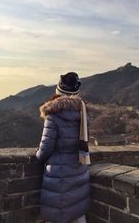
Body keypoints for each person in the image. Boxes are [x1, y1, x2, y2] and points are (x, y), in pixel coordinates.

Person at [35, 72, 90, 223]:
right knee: (77, 211)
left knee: (57, 215)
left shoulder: (53, 116)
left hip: (59, 174)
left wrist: (37, 155)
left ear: (58, 92)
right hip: (79, 169)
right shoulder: (83, 114)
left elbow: (45, 149)